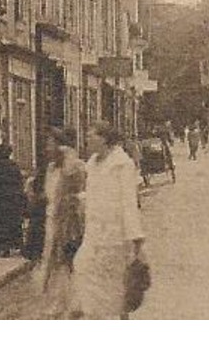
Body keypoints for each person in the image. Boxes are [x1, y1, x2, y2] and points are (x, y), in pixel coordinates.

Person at [72, 122, 146, 319]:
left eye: (91, 136)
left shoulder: (122, 165)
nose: (87, 140)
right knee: (83, 268)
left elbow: (129, 202)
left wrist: (135, 239)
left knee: (113, 289)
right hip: (93, 234)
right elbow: (94, 194)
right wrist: (79, 199)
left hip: (114, 237)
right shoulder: (93, 164)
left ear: (104, 139)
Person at [37, 127, 87, 317]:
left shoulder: (74, 168)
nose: (47, 148)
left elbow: (81, 192)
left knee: (67, 260)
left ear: (61, 145)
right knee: (53, 261)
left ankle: (73, 301)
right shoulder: (50, 168)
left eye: (50, 144)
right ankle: (60, 301)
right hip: (52, 219)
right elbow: (49, 194)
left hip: (69, 221)